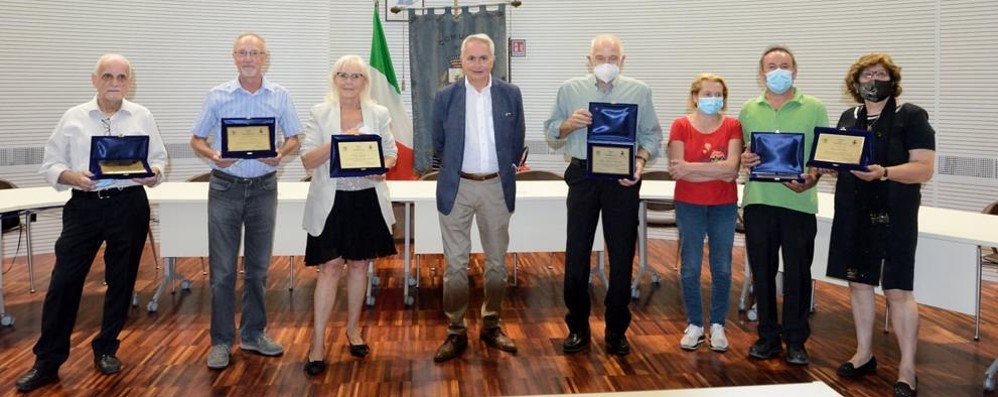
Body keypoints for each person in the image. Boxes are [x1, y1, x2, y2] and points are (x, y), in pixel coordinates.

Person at [16, 54, 168, 393]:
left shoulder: (142, 116)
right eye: (107, 76)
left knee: (122, 282)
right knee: (63, 283)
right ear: (94, 80)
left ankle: (106, 348)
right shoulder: (74, 117)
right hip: (84, 207)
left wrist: (151, 175)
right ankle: (47, 362)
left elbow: (158, 161)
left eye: (121, 77)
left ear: (130, 81)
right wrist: (73, 177)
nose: (114, 82)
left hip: (129, 205)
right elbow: (51, 165)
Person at [544, 34, 662, 356]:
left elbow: (652, 135)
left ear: (622, 61)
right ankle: (578, 327)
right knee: (577, 255)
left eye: (613, 58)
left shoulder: (640, 91)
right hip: (582, 175)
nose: (606, 63)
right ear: (589, 60)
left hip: (623, 180)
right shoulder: (570, 90)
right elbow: (551, 130)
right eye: (600, 57)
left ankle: (616, 330)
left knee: (622, 256)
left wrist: (639, 162)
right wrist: (568, 124)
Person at [190, 33, 302, 370]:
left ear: (265, 58)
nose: (249, 58)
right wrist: (213, 155)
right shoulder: (217, 95)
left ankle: (253, 334)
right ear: (234, 57)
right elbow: (196, 139)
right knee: (222, 272)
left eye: (255, 53)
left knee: (258, 270)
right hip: (225, 187)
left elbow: (295, 137)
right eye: (243, 53)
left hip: (264, 188)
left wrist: (281, 153)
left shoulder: (280, 95)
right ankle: (221, 341)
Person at [826, 54, 934, 397]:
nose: (874, 79)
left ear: (892, 80)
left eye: (880, 74)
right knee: (858, 283)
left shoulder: (911, 116)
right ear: (856, 83)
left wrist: (885, 172)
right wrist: (829, 166)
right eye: (867, 74)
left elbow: (923, 168)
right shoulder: (848, 117)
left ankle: (907, 368)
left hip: (895, 214)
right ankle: (863, 353)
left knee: (898, 290)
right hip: (853, 211)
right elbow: (841, 158)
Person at [299, 55, 398, 375]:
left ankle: (353, 331)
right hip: (331, 202)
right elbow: (307, 160)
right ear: (334, 79)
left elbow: (391, 155)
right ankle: (317, 343)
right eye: (343, 75)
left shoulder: (379, 113)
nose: (349, 81)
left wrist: (379, 168)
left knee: (359, 266)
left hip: (365, 198)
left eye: (356, 76)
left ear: (365, 83)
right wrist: (338, 143)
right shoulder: (320, 112)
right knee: (328, 269)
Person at [431, 33, 525, 363]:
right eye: (471, 58)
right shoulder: (446, 96)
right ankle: (455, 330)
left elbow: (516, 141)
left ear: (492, 60)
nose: (477, 64)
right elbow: (438, 142)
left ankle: (491, 323)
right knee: (455, 266)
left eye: (483, 58)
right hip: (457, 187)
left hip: (496, 188)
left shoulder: (510, 95)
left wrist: (505, 168)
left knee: (497, 265)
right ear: (462, 61)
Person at [739, 46, 828, 365]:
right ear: (762, 73)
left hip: (799, 202)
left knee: (798, 274)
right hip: (759, 202)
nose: (778, 71)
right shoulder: (748, 109)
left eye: (785, 65)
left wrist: (812, 177)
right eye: (772, 66)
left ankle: (796, 339)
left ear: (795, 71)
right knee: (761, 272)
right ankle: (767, 336)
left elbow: (821, 156)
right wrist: (744, 159)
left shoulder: (815, 107)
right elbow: (744, 154)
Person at [668, 73, 742, 352]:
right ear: (695, 96)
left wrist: (692, 168)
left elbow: (732, 169)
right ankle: (696, 324)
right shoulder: (680, 125)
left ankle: (718, 325)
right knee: (690, 267)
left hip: (723, 205)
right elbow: (677, 170)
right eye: (707, 94)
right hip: (689, 204)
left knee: (722, 267)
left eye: (718, 94)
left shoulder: (733, 125)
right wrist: (715, 171)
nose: (713, 99)